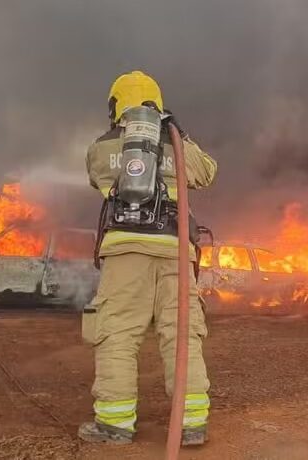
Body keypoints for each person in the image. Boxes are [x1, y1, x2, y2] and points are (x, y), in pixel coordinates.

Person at [78, 70, 217, 446]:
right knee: (182, 335)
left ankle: (115, 424)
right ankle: (191, 425)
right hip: (175, 253)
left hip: (126, 255)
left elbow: (95, 176)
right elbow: (207, 173)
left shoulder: (104, 146)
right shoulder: (176, 145)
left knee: (118, 335)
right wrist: (180, 136)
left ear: (115, 104)